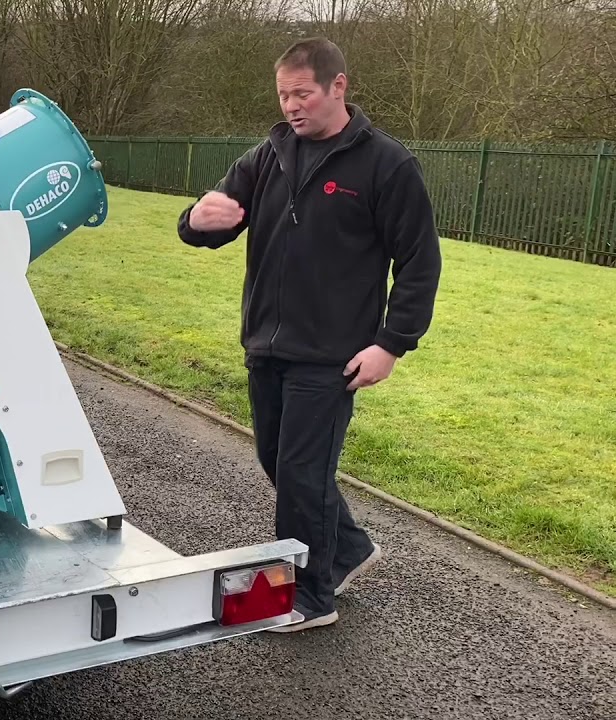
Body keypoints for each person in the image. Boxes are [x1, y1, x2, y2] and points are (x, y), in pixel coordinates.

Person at [177, 37, 442, 631]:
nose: (291, 106)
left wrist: (391, 344)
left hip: (332, 355)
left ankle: (311, 597)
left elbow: (419, 262)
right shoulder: (268, 156)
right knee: (278, 461)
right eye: (283, 95)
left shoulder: (387, 165)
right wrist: (196, 219)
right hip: (267, 345)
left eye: (302, 94)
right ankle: (348, 549)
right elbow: (212, 220)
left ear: (338, 86)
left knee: (301, 473)